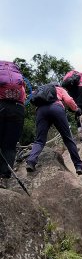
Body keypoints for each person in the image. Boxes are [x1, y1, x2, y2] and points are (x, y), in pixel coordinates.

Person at [26, 83, 82, 175]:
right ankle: (78, 166)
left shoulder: (40, 90)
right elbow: (69, 100)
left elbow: (31, 98)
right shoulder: (59, 89)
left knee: (39, 140)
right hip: (56, 108)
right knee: (68, 139)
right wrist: (76, 109)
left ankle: (31, 161)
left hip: (41, 111)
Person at [0, 61, 26, 189]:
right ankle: (4, 178)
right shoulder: (19, 77)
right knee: (9, 147)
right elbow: (24, 95)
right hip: (18, 110)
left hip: (1, 106)